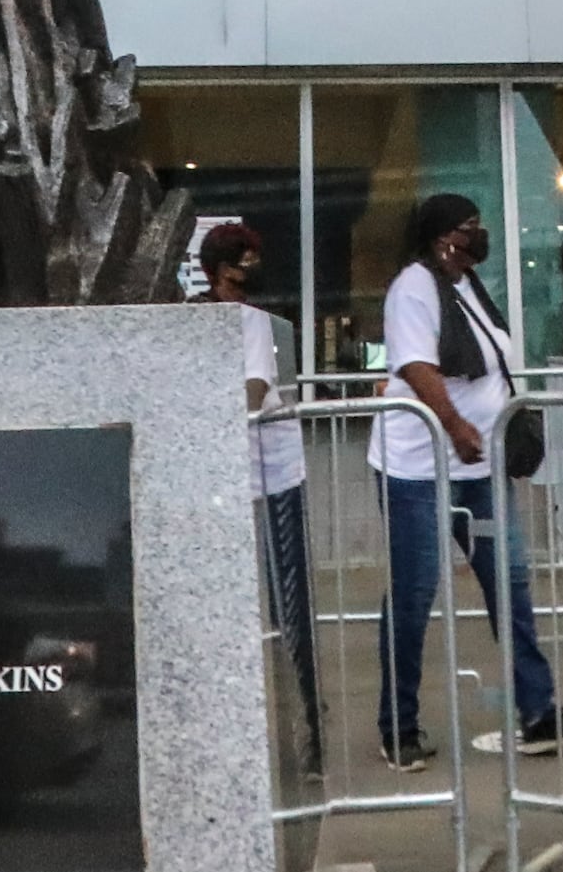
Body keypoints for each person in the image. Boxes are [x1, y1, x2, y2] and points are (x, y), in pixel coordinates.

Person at [368, 193, 563, 768]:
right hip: (419, 469)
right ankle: (399, 727)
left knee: (510, 584)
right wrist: (455, 423)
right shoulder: (413, 287)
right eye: (472, 227)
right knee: (416, 593)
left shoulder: (468, 287)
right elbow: (417, 365)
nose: (481, 234)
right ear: (446, 235)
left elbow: (490, 366)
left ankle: (539, 712)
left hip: (481, 467)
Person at [202, 222, 320, 770]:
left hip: (272, 478)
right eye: (230, 277)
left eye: (244, 277)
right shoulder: (197, 317)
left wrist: (210, 414)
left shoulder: (256, 325)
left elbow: (253, 388)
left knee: (288, 606)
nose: (236, 289)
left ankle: (308, 724)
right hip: (224, 481)